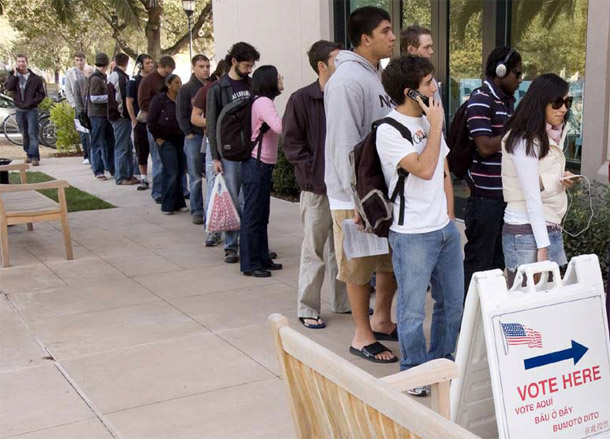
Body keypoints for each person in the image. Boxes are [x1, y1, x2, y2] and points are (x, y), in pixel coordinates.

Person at [377, 55, 463, 395]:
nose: (435, 87)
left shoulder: (431, 122)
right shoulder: (388, 130)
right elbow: (424, 168)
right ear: (411, 92)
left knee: (452, 302)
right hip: (412, 234)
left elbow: (442, 173)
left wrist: (450, 220)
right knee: (412, 310)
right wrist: (437, 126)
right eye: (429, 83)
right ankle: (413, 371)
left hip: (443, 230)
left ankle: (440, 364)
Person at [324, 6, 398, 363]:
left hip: (379, 191)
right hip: (353, 196)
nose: (393, 37)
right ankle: (361, 333)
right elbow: (342, 144)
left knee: (386, 261)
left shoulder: (375, 75)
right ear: (365, 39)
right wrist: (357, 200)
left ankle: (381, 320)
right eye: (386, 31)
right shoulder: (347, 81)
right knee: (358, 264)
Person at [282, 40, 350, 328]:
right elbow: (291, 143)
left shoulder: (346, 94)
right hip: (317, 190)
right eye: (338, 60)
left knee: (342, 251)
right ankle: (307, 308)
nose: (344, 66)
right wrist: (312, 170)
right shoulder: (301, 99)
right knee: (314, 249)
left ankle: (343, 302)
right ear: (322, 66)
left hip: (344, 189)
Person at [501, 74, 577, 287]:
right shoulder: (523, 138)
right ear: (541, 102)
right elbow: (531, 195)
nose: (563, 108)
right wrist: (543, 247)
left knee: (543, 306)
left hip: (548, 226)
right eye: (557, 102)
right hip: (526, 229)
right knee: (523, 310)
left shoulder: (550, 135)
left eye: (567, 102)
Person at [463, 46, 522, 297]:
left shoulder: (507, 102)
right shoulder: (480, 99)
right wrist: (514, 132)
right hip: (485, 199)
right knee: (479, 264)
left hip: (503, 197)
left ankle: (489, 318)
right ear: (500, 71)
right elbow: (485, 146)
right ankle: (467, 322)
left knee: (498, 264)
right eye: (516, 74)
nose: (520, 80)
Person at [207, 42, 261, 264]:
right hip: (229, 153)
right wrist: (215, 157)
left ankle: (250, 244)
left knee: (251, 200)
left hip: (251, 150)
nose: (250, 70)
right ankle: (231, 245)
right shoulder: (219, 89)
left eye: (252, 66)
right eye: (247, 65)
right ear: (234, 62)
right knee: (232, 200)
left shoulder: (252, 85)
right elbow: (212, 125)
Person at [239, 66, 284, 277]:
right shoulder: (263, 102)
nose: (281, 78)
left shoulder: (262, 101)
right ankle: (250, 263)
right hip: (257, 164)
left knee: (261, 214)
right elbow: (279, 127)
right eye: (277, 76)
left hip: (260, 164)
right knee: (253, 215)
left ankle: (262, 257)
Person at [191, 60, 228, 247]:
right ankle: (213, 229)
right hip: (213, 143)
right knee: (215, 187)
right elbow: (195, 117)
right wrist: (213, 123)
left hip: (236, 145)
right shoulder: (208, 90)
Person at [177, 54, 211, 225]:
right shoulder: (187, 89)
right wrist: (189, 133)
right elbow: (181, 114)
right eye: (201, 66)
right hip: (195, 136)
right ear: (194, 68)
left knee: (212, 174)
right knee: (195, 174)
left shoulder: (213, 86)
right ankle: (197, 209)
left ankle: (212, 209)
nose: (205, 69)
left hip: (210, 136)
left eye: (207, 66)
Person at [138, 55, 176, 203]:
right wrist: (160, 110)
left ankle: (175, 190)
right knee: (158, 159)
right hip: (155, 124)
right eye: (166, 72)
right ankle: (158, 191)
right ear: (160, 67)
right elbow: (142, 103)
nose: (168, 75)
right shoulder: (148, 81)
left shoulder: (171, 80)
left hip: (171, 126)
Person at [148, 74, 187, 215]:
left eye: (180, 82)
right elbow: (151, 120)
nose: (179, 85)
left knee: (180, 170)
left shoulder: (181, 99)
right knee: (171, 170)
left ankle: (179, 202)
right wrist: (158, 138)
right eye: (176, 82)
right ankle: (167, 204)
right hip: (166, 139)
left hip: (180, 138)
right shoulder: (160, 100)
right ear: (169, 84)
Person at [4, 54, 46, 166]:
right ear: (16, 63)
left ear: (27, 62)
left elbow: (42, 94)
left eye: (23, 61)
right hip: (19, 109)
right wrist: (14, 76)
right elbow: (8, 87)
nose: (21, 64)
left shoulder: (35, 78)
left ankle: (35, 157)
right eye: (19, 62)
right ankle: (28, 154)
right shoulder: (14, 76)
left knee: (32, 132)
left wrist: (32, 102)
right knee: (24, 133)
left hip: (31, 109)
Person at [107, 52, 137, 185]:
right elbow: (120, 99)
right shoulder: (119, 77)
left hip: (119, 116)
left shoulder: (116, 75)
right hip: (120, 117)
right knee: (122, 147)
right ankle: (121, 176)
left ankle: (128, 174)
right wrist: (124, 114)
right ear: (127, 62)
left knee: (127, 146)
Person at [127, 54, 155, 190]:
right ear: (140, 65)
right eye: (148, 63)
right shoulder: (134, 81)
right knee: (141, 150)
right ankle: (143, 178)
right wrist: (134, 120)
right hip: (141, 121)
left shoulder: (156, 80)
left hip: (155, 121)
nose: (151, 65)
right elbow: (129, 101)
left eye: (152, 63)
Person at [87, 52, 115, 180]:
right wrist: (111, 98)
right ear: (106, 64)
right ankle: (98, 171)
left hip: (105, 115)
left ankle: (112, 168)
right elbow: (94, 98)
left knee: (110, 142)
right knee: (97, 143)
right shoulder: (95, 78)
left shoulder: (104, 77)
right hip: (97, 115)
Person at [401, 25, 442, 106]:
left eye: (431, 46)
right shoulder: (400, 81)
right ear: (411, 50)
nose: (431, 51)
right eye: (426, 47)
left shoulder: (430, 77)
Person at [64, 51, 90, 164]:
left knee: (91, 131)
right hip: (78, 107)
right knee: (82, 131)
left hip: (90, 106)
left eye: (81, 60)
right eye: (77, 60)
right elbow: (68, 90)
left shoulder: (89, 71)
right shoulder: (70, 73)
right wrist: (74, 104)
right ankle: (86, 155)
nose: (79, 62)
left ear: (85, 60)